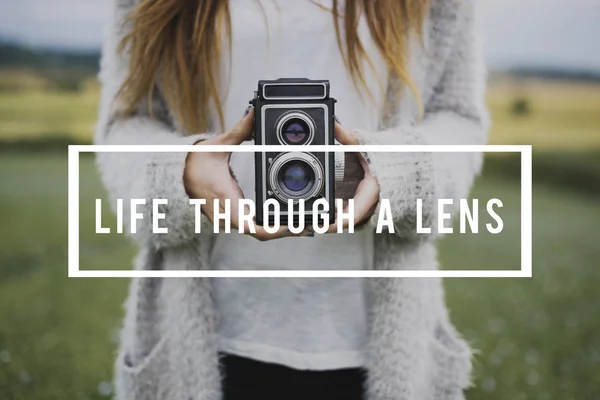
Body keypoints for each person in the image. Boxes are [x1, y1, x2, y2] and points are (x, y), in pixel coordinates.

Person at [95, 0, 490, 399]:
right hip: (203, 334)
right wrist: (179, 171)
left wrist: (401, 172)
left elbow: (456, 115)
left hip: (375, 337)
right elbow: (127, 120)